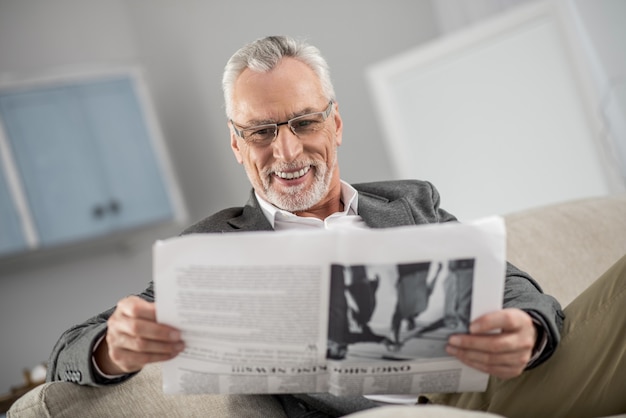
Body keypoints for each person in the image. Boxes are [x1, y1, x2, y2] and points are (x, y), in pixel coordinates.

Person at [46, 35, 626, 418]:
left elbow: (519, 289)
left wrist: (529, 328)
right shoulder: (209, 249)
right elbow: (69, 349)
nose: (287, 150)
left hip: (493, 384)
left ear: (337, 123)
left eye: (303, 122)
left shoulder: (411, 202)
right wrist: (111, 347)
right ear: (235, 144)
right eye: (262, 131)